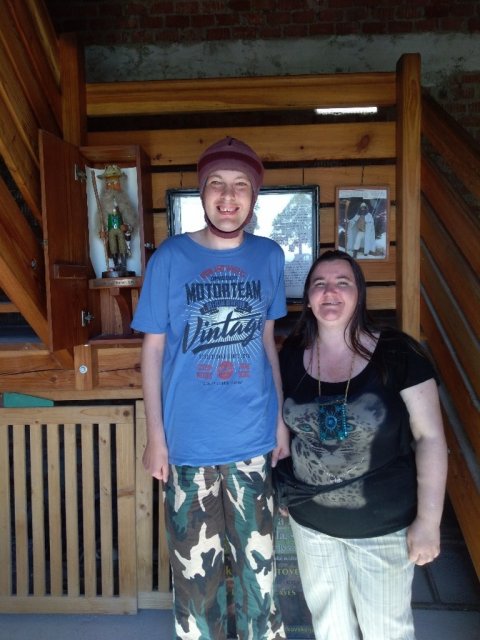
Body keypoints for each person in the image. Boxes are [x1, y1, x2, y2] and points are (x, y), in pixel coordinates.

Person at [131, 136, 289, 640]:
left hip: (252, 441)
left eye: (240, 185)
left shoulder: (269, 256)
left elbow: (267, 345)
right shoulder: (170, 258)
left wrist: (279, 420)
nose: (228, 196)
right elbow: (153, 351)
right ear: (201, 193)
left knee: (260, 577)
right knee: (196, 583)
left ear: (254, 195)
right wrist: (156, 437)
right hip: (188, 447)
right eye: (216, 184)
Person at [275, 249, 448, 640]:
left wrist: (429, 522)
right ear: (308, 297)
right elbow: (283, 429)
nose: (330, 292)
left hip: (382, 528)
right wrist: (284, 486)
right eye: (319, 284)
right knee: (330, 627)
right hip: (311, 525)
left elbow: (431, 438)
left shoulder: (397, 352)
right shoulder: (291, 356)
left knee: (386, 630)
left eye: (343, 283)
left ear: (359, 294)